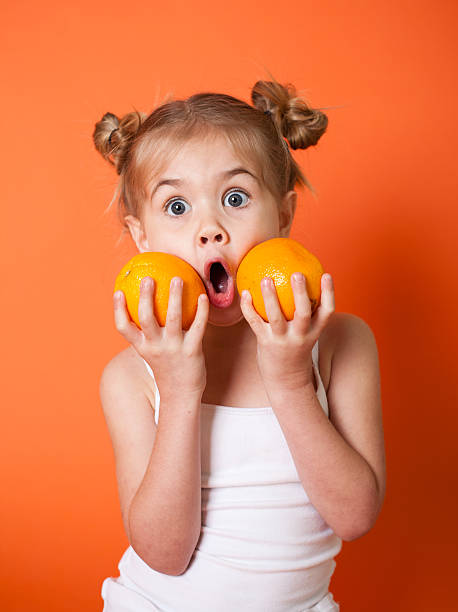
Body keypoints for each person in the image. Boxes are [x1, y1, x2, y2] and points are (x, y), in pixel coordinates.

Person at [93, 78, 386, 612]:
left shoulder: (342, 342)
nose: (210, 228)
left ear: (283, 216)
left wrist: (293, 380)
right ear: (142, 239)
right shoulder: (131, 377)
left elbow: (356, 517)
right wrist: (179, 390)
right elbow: (163, 554)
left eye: (235, 198)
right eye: (176, 207)